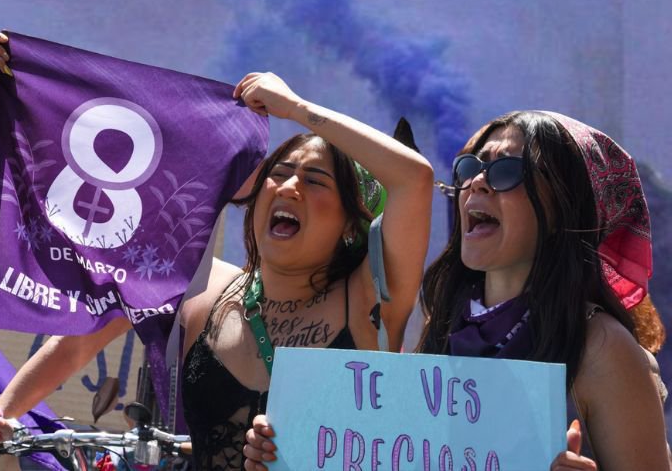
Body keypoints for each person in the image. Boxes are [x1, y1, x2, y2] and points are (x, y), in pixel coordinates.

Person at [0, 34, 435, 470]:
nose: (286, 187)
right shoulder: (196, 286)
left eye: (314, 179)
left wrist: (296, 109)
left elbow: (414, 179)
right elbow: (75, 343)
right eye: (279, 174)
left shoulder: (372, 301)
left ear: (352, 224)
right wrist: (18, 102)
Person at [242, 111, 670, 471]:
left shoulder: (603, 347)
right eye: (469, 168)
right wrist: (290, 451)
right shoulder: (445, 322)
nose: (477, 184)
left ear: (563, 205)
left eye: (505, 171)